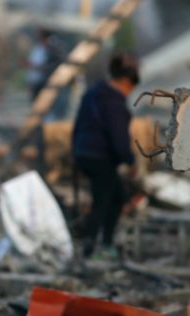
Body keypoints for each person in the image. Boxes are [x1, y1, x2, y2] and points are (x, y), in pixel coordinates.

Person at [72, 53, 140, 259]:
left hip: (84, 152)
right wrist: (130, 160)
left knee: (116, 197)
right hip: (100, 156)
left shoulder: (93, 93)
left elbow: (77, 125)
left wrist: (75, 152)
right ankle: (92, 249)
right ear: (127, 82)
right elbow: (118, 136)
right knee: (103, 202)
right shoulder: (114, 102)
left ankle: (103, 244)